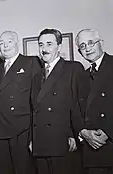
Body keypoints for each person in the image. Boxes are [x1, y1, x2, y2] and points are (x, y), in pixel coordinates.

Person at [30, 28, 88, 174]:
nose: (44, 49)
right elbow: (34, 111)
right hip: (40, 144)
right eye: (41, 44)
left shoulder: (73, 68)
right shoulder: (36, 76)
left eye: (49, 44)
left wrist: (74, 135)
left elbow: (80, 106)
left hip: (63, 142)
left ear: (59, 46)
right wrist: (32, 139)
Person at [0, 31, 38, 174]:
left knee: (23, 169)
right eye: (1, 43)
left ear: (17, 42)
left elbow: (38, 100)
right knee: (3, 169)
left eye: (9, 42)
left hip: (22, 129)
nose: (5, 46)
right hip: (0, 128)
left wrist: (34, 135)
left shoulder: (31, 62)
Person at [76, 29, 113, 174]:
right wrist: (83, 132)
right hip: (93, 154)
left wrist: (108, 132)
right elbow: (77, 110)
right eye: (83, 46)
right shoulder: (82, 77)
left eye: (91, 42)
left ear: (101, 43)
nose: (87, 48)